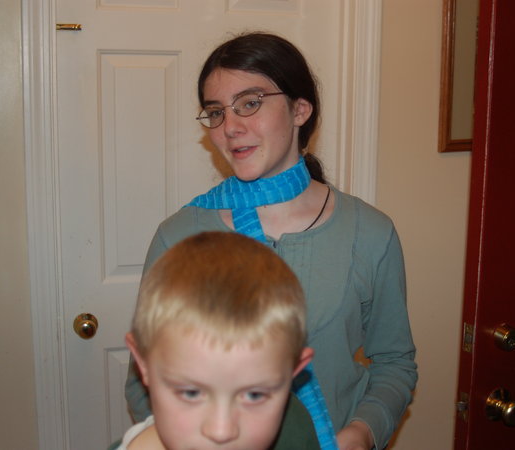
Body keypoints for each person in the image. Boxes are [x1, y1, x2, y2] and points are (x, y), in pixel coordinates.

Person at [126, 31, 418, 449]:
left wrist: (361, 433)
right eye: (216, 112)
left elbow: (394, 362)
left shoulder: (370, 232)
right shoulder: (178, 237)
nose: (230, 128)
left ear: (300, 109)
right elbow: (143, 383)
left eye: (250, 103)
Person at [117, 231, 320, 449]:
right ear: (143, 364)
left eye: (254, 395)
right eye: (191, 393)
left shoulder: (297, 429)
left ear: (294, 370)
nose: (221, 431)